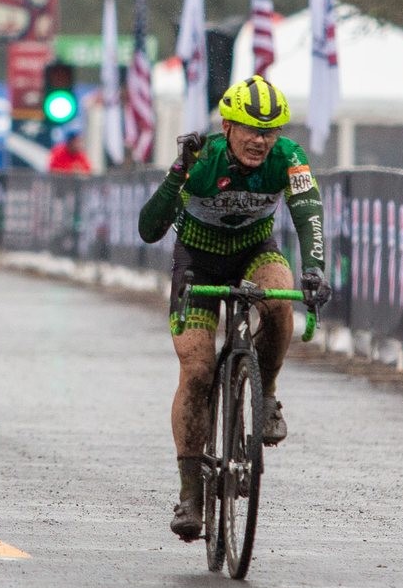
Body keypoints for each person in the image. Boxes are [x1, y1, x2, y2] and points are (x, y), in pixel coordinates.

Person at [137, 75, 330, 542]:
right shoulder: (202, 160)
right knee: (198, 369)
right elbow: (149, 229)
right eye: (250, 129)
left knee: (281, 300)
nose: (261, 141)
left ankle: (265, 398)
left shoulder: (289, 157)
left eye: (271, 131)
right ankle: (190, 495)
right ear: (227, 125)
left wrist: (315, 269)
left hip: (253, 251)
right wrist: (176, 175)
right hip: (198, 264)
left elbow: (308, 211)